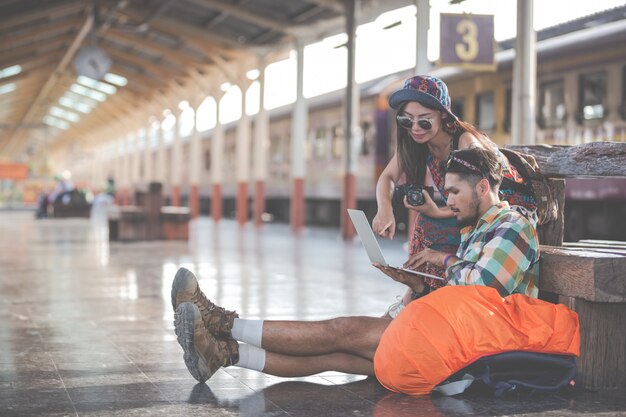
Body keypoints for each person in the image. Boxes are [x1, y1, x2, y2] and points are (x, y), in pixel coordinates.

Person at [172, 147, 540, 383]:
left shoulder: (514, 226)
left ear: (482, 189)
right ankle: (223, 354)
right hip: (451, 336)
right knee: (337, 355)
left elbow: (483, 290)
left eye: (455, 193)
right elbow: (465, 294)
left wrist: (444, 260)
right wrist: (418, 284)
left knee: (342, 330)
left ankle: (220, 322)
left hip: (470, 347)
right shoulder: (477, 228)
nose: (449, 202)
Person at [372, 75, 537, 314]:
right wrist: (384, 208)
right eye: (407, 121)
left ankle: (423, 300)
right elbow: (386, 177)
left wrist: (438, 212)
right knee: (426, 223)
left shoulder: (466, 142)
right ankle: (419, 297)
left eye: (424, 122)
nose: (415, 129)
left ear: (444, 116)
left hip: (505, 214)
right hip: (471, 210)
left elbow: (482, 194)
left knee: (430, 225)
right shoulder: (416, 143)